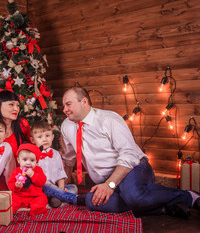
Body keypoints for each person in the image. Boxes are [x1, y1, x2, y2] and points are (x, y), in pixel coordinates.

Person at [61, 86, 200, 218]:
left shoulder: (109, 119)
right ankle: (165, 208)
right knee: (91, 200)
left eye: (68, 104)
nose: (64, 110)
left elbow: (129, 154)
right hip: (105, 180)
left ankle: (188, 196)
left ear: (84, 101)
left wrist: (110, 184)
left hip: (133, 168)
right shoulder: (66, 126)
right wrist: (63, 189)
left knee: (133, 196)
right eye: (63, 106)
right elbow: (69, 159)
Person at [31, 120, 81, 208]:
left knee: (73, 187)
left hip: (55, 188)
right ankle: (75, 199)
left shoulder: (56, 154)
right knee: (47, 186)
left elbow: (60, 172)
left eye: (47, 136)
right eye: (40, 137)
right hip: (41, 188)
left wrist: (61, 187)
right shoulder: (32, 155)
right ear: (33, 140)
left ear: (52, 137)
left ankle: (56, 198)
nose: (45, 139)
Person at [7, 143, 48, 216]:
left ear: (36, 161)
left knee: (42, 199)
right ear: (19, 160)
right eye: (25, 160)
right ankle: (10, 212)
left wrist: (33, 175)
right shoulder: (16, 171)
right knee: (10, 202)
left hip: (35, 196)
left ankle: (35, 211)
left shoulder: (38, 170)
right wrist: (16, 186)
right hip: (20, 196)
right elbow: (10, 183)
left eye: (32, 160)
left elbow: (42, 182)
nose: (28, 163)